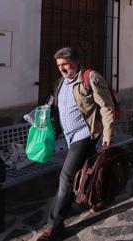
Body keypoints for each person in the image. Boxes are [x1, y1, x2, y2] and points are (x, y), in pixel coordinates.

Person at [35, 47, 115, 241]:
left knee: (66, 177)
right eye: (59, 65)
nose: (62, 68)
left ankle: (53, 226)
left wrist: (108, 134)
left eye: (65, 64)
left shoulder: (90, 77)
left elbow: (106, 106)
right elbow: (56, 106)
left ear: (76, 62)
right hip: (69, 136)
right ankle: (97, 198)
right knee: (89, 171)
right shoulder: (60, 82)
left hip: (85, 134)